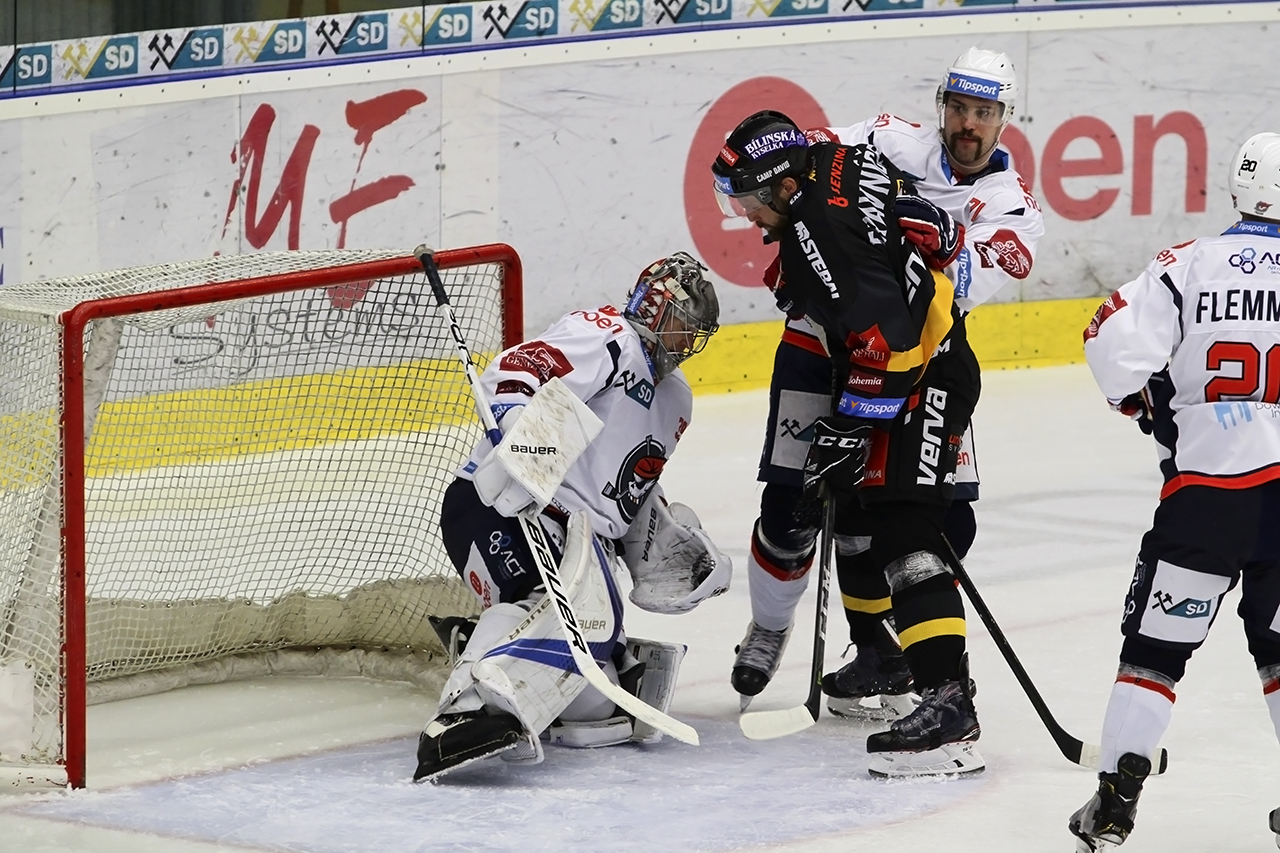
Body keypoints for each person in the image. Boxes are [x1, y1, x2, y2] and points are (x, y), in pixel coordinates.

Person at [725, 47, 1044, 723]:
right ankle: (775, 628)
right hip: (818, 341)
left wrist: (946, 240)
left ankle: (890, 645)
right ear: (942, 105)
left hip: (910, 359)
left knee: (934, 518)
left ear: (1005, 118)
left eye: (984, 112)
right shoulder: (890, 139)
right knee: (790, 507)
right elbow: (800, 163)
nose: (968, 124)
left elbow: (958, 288)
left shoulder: (1012, 208)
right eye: (959, 107)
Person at [711, 108, 984, 776]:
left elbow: (892, 346)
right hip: (914, 360)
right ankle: (895, 663)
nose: (746, 214)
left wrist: (854, 424)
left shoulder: (818, 234)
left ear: (784, 184)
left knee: (908, 532)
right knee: (870, 517)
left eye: (750, 198)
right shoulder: (835, 161)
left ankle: (949, 705)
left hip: (926, 372)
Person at [414, 252, 732, 782]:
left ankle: (480, 641)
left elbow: (631, 490)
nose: (686, 341)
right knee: (543, 607)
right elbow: (518, 370)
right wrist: (522, 436)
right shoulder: (607, 335)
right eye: (681, 324)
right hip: (502, 508)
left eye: (695, 333)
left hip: (576, 543)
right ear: (653, 307)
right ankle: (460, 713)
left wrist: (660, 541)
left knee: (592, 708)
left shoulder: (677, 399)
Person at [1067, 132, 1280, 850]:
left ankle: (1114, 801)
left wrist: (1142, 401)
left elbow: (1108, 347)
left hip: (1206, 498)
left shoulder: (1185, 264)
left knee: (1155, 653)